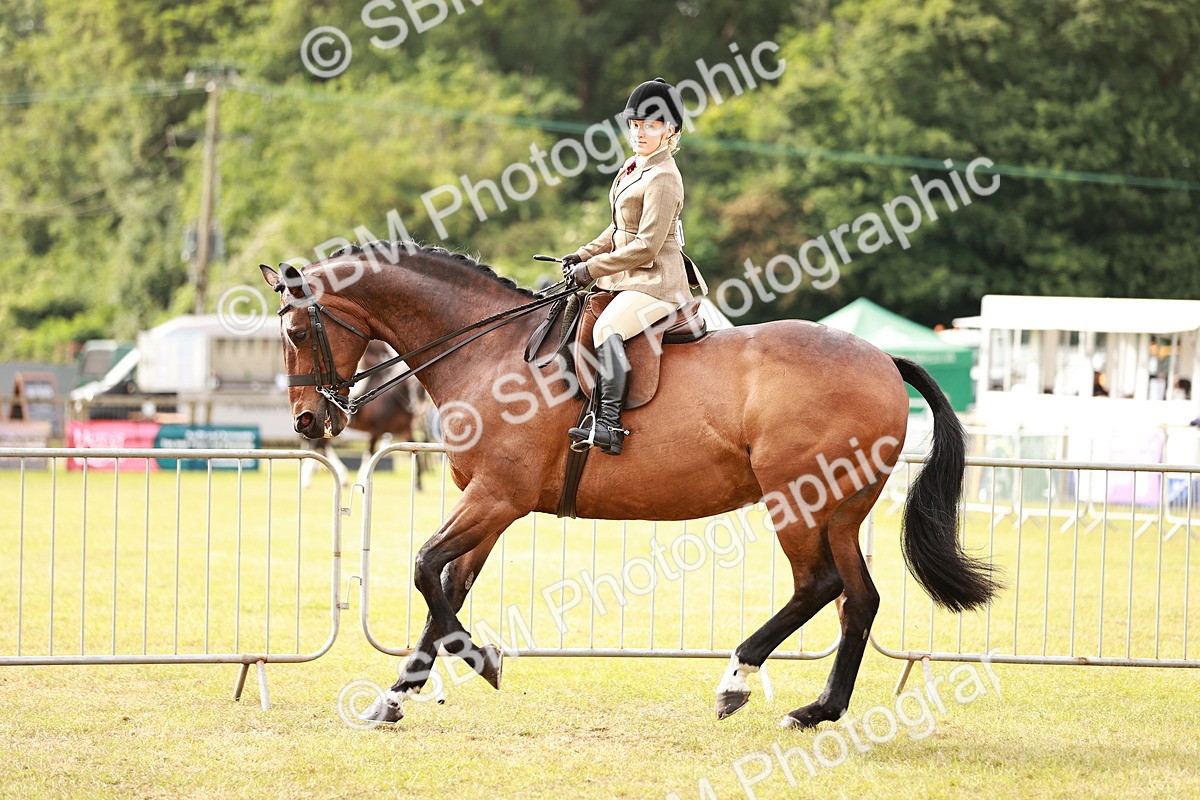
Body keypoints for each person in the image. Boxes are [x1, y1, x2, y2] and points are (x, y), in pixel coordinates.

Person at [559, 77, 708, 455]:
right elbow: (617, 228)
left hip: (656, 280)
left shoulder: (663, 177)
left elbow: (646, 246)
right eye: (635, 124)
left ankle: (609, 424)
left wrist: (592, 270)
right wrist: (582, 254)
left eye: (652, 125)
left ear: (670, 130)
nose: (640, 133)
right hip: (628, 277)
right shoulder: (632, 166)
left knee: (608, 327)